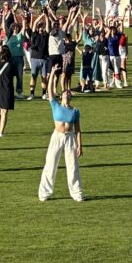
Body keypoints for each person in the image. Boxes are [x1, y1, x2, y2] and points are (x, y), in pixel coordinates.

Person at [38, 65, 84, 202]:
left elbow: (78, 130)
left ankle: (77, 193)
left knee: (72, 166)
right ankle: (44, 193)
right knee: (50, 164)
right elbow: (50, 90)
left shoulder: (75, 111)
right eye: (65, 93)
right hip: (57, 136)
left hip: (69, 138)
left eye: (69, 93)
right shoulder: (55, 105)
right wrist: (52, 72)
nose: (67, 94)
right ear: (62, 95)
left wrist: (80, 146)